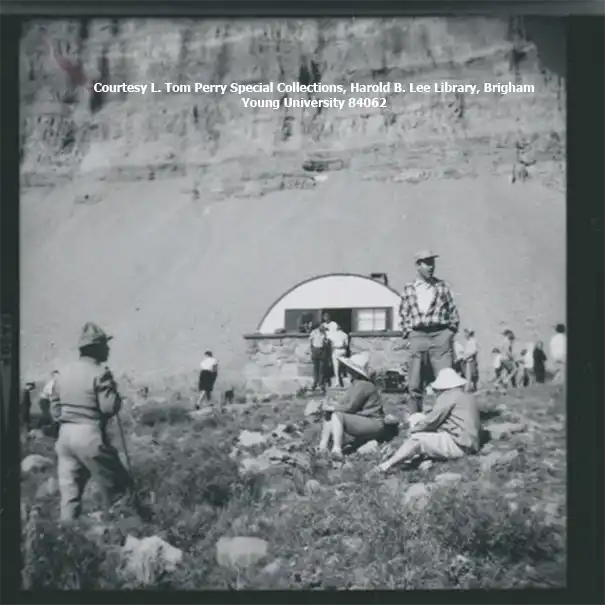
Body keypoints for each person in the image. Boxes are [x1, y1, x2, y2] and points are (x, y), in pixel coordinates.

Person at [53, 322, 134, 522]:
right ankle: (124, 534)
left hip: (65, 436)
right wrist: (114, 392)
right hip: (89, 434)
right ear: (97, 348)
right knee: (118, 487)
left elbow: (54, 409)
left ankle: (67, 540)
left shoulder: (63, 373)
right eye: (105, 345)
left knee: (69, 497)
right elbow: (109, 408)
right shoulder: (100, 373)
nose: (108, 349)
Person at [376, 368, 481, 473]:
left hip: (459, 445)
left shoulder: (448, 396)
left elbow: (431, 422)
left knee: (417, 439)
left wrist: (413, 430)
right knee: (420, 420)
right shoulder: (465, 395)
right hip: (471, 442)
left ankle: (387, 465)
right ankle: (411, 455)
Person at [399, 250, 460, 413]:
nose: (430, 267)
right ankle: (415, 421)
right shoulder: (409, 288)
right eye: (426, 263)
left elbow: (453, 311)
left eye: (432, 263)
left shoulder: (443, 286)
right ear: (418, 265)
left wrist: (449, 333)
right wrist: (409, 335)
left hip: (440, 335)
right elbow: (403, 314)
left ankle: (446, 420)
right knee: (414, 383)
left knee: (446, 382)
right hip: (418, 336)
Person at [317, 353, 388, 458]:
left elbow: (350, 407)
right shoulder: (356, 383)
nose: (346, 369)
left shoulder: (363, 385)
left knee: (337, 414)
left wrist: (331, 407)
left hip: (374, 423)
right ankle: (322, 446)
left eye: (349, 367)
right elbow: (344, 402)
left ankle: (337, 449)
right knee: (330, 413)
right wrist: (330, 404)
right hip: (363, 419)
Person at [309, 322, 329, 393]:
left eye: (324, 327)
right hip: (315, 350)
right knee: (315, 368)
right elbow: (311, 341)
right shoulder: (314, 332)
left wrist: (325, 342)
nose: (323, 328)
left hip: (322, 350)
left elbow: (326, 342)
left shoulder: (324, 333)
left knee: (321, 368)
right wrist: (312, 350)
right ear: (319, 326)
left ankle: (321, 384)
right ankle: (315, 383)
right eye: (322, 326)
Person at [327, 323, 349, 388]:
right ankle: (344, 378)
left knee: (336, 366)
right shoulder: (345, 335)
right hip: (343, 350)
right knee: (343, 365)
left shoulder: (333, 335)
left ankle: (337, 381)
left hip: (336, 350)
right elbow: (346, 344)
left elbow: (331, 343)